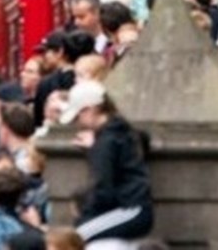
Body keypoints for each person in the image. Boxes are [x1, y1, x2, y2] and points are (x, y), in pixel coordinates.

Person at [59, 80, 154, 242]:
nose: (77, 124)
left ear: (90, 110)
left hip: (129, 208)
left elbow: (103, 187)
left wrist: (85, 214)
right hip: (133, 207)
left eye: (77, 117)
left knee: (74, 239)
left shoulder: (106, 141)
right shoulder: (119, 131)